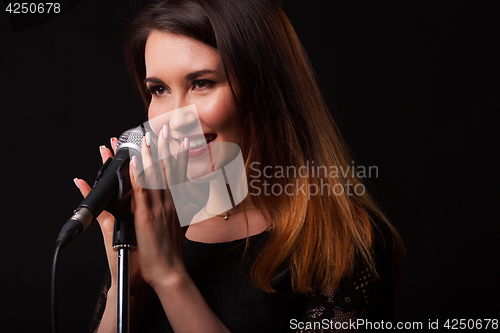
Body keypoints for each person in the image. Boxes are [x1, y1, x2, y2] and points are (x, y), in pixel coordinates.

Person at [74, 0, 404, 332]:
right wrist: (128, 287)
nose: (174, 119)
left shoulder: (345, 243)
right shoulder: (154, 221)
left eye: (202, 83)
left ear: (267, 89)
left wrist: (170, 277)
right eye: (158, 90)